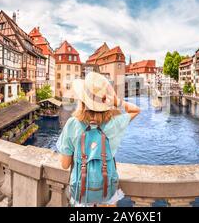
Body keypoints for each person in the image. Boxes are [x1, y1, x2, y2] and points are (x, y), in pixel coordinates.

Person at [56, 72, 141, 207]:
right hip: (107, 192)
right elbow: (136, 110)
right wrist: (115, 101)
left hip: (81, 193)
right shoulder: (114, 123)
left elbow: (65, 164)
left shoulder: (72, 124)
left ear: (82, 100)